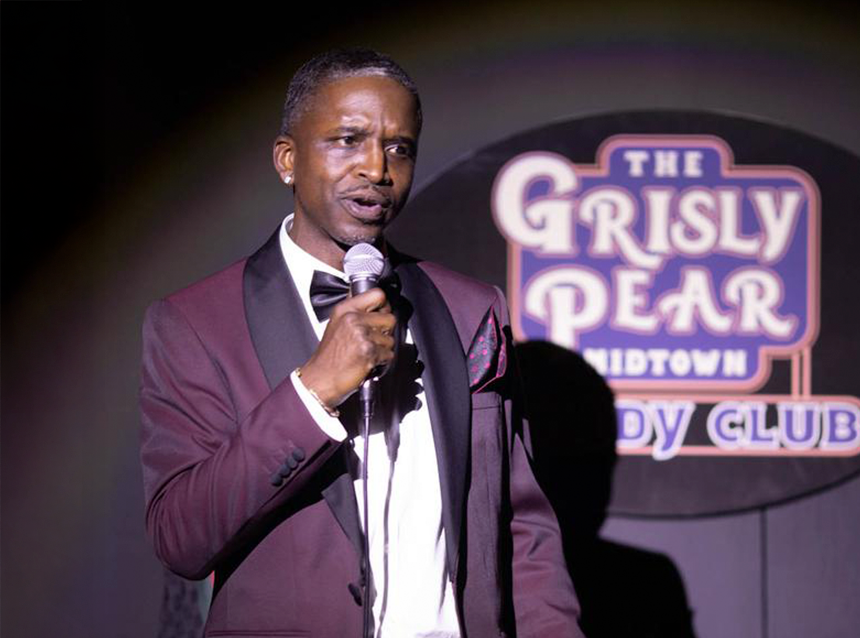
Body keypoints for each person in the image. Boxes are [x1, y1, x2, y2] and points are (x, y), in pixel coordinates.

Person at [139, 48, 584, 638]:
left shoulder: (472, 309)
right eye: (348, 140)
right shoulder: (194, 323)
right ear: (287, 160)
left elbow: (520, 525)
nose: (376, 168)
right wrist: (312, 392)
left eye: (398, 148)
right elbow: (181, 538)